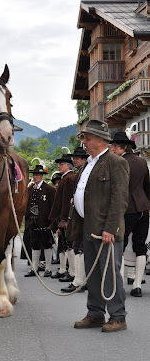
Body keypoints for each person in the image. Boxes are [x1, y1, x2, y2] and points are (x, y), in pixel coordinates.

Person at [70, 120, 129, 333]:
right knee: (94, 274)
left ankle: (118, 316)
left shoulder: (116, 162)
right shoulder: (89, 164)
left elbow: (120, 199)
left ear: (99, 139)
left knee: (109, 274)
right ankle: (95, 314)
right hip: (89, 227)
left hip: (106, 231)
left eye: (87, 138)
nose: (83, 142)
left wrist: (110, 229)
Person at [110, 131, 150, 297]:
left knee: (120, 244)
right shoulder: (142, 162)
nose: (112, 149)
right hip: (143, 208)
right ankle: (137, 285)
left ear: (123, 147)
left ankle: (119, 284)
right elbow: (147, 186)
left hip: (126, 209)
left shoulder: (117, 162)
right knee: (140, 245)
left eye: (114, 146)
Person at [61, 147, 89, 293]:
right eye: (74, 157)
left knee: (79, 247)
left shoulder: (86, 171)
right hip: (79, 214)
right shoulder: (81, 172)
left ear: (84, 159)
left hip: (86, 215)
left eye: (77, 158)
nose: (74, 160)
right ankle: (82, 280)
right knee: (79, 246)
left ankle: (79, 281)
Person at [24, 165, 55, 277]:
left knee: (47, 244)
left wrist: (52, 222)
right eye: (34, 175)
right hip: (33, 221)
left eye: (37, 175)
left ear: (42, 176)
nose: (35, 177)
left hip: (45, 221)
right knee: (34, 245)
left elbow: (53, 206)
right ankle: (34, 268)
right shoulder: (30, 189)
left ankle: (48, 269)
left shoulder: (49, 189)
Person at [49, 154, 75, 283]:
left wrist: (64, 218)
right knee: (64, 245)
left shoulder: (69, 178)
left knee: (69, 245)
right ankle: (66, 270)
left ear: (68, 165)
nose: (59, 166)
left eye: (61, 164)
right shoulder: (66, 178)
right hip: (63, 216)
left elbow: (66, 201)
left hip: (67, 217)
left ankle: (72, 272)